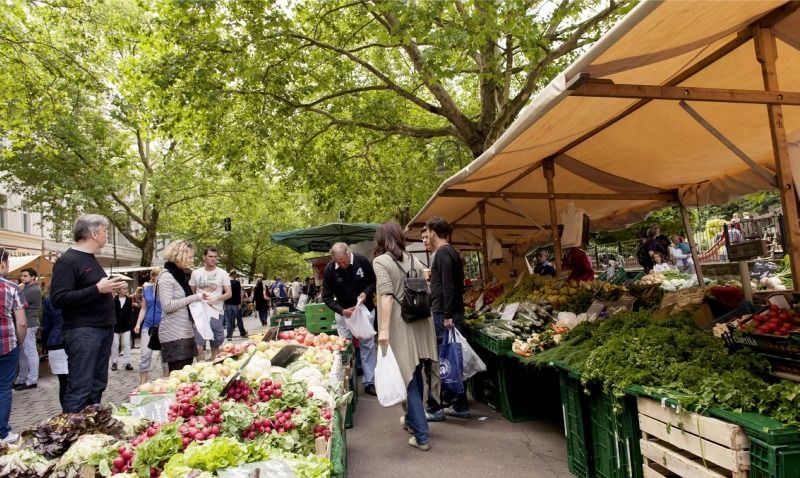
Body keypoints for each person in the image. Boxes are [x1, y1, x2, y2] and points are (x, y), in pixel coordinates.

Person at [372, 222, 439, 451]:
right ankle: (411, 421)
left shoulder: (380, 262)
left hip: (402, 325)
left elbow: (386, 295)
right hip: (422, 322)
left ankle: (422, 437)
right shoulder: (413, 259)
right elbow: (426, 285)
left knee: (408, 378)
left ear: (381, 240)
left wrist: (384, 330)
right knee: (415, 371)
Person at [50, 214, 127, 413]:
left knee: (97, 385)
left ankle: (90, 426)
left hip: (101, 329)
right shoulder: (68, 261)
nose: (107, 236)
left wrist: (107, 290)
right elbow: (58, 298)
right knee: (80, 388)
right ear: (94, 233)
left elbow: (90, 290)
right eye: (105, 231)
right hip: (83, 331)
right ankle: (72, 428)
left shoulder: (90, 259)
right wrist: (97, 289)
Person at [424, 217, 470, 420]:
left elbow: (448, 286)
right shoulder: (451, 252)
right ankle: (459, 404)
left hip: (444, 314)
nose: (427, 236)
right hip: (448, 312)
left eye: (428, 232)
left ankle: (439, 407)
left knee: (443, 360)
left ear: (433, 232)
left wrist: (447, 315)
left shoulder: (443, 253)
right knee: (451, 358)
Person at [322, 243, 378, 396]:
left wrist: (366, 293)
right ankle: (346, 382)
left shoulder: (362, 261)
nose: (342, 265)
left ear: (349, 253)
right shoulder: (330, 270)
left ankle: (369, 381)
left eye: (344, 261)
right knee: (344, 348)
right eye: (338, 262)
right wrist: (341, 310)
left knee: (367, 345)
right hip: (344, 313)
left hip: (364, 311)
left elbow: (373, 282)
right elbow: (326, 297)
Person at [158, 240, 207, 372]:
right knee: (177, 374)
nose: (191, 260)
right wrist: (194, 297)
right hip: (173, 333)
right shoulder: (166, 276)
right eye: (189, 257)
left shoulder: (180, 275)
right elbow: (167, 306)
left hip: (185, 330)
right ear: (179, 255)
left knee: (186, 373)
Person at [0, 248, 28, 444]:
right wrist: (19, 342)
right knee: (3, 389)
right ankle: (2, 433)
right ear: (2, 264)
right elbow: (22, 322)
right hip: (6, 344)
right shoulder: (12, 287)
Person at [189, 247, 230, 360]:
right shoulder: (195, 273)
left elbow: (228, 294)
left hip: (216, 312)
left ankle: (214, 367)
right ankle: (201, 367)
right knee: (198, 346)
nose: (213, 259)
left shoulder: (223, 273)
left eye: (215, 257)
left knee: (215, 345)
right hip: (199, 313)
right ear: (204, 257)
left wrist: (215, 299)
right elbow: (191, 293)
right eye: (210, 256)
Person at [134, 268, 167, 385]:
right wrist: (138, 323)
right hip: (148, 325)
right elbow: (144, 308)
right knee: (145, 354)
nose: (158, 278)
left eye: (160, 275)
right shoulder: (146, 289)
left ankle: (167, 380)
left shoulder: (167, 289)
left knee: (165, 355)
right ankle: (142, 383)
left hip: (164, 325)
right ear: (152, 277)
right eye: (156, 275)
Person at [14, 268, 41, 390]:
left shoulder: (33, 289)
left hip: (28, 324)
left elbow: (16, 300)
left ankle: (32, 380)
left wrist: (17, 288)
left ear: (33, 277)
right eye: (22, 276)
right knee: (23, 352)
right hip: (25, 323)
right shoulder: (27, 288)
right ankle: (22, 378)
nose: (22, 278)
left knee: (30, 352)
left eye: (25, 276)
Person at [41, 295, 68, 407]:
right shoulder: (81, 293)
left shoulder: (49, 299)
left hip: (56, 341)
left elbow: (46, 325)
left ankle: (66, 413)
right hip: (77, 340)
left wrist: (44, 344)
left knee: (64, 383)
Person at [111, 288, 134, 371]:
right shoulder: (114, 299)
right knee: (115, 344)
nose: (126, 290)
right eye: (124, 288)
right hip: (115, 325)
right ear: (119, 290)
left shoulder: (129, 299)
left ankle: (127, 363)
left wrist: (131, 322)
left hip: (126, 325)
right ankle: (114, 362)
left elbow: (130, 312)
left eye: (126, 288)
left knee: (127, 344)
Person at [224, 271, 247, 339]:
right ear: (234, 275)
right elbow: (238, 294)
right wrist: (239, 303)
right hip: (235, 304)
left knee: (229, 320)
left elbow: (223, 293)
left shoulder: (225, 283)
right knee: (239, 319)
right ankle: (242, 333)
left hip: (227, 303)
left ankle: (229, 335)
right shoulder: (237, 283)